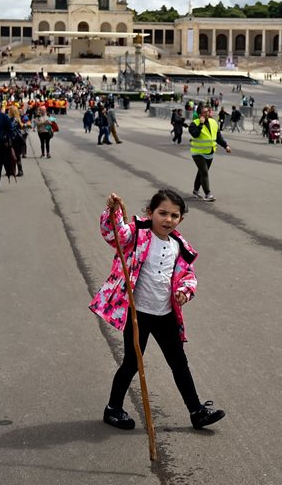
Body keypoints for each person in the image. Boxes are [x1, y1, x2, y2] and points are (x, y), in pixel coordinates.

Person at [90, 190, 225, 432]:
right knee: (132, 363)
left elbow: (188, 275)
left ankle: (197, 411)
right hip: (137, 314)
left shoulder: (178, 247)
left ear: (180, 220)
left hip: (165, 315)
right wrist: (114, 211)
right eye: (162, 213)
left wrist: (185, 290)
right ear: (150, 213)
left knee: (179, 363)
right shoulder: (136, 234)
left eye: (175, 215)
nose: (168, 219)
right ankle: (113, 409)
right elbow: (113, 233)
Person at [188, 104, 231, 202]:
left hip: (210, 152)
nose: (207, 113)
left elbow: (218, 137)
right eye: (204, 112)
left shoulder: (213, 122)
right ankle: (208, 194)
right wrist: (201, 124)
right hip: (198, 153)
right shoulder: (194, 124)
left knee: (201, 171)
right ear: (199, 115)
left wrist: (226, 146)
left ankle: (195, 190)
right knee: (204, 172)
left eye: (207, 111)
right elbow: (195, 134)